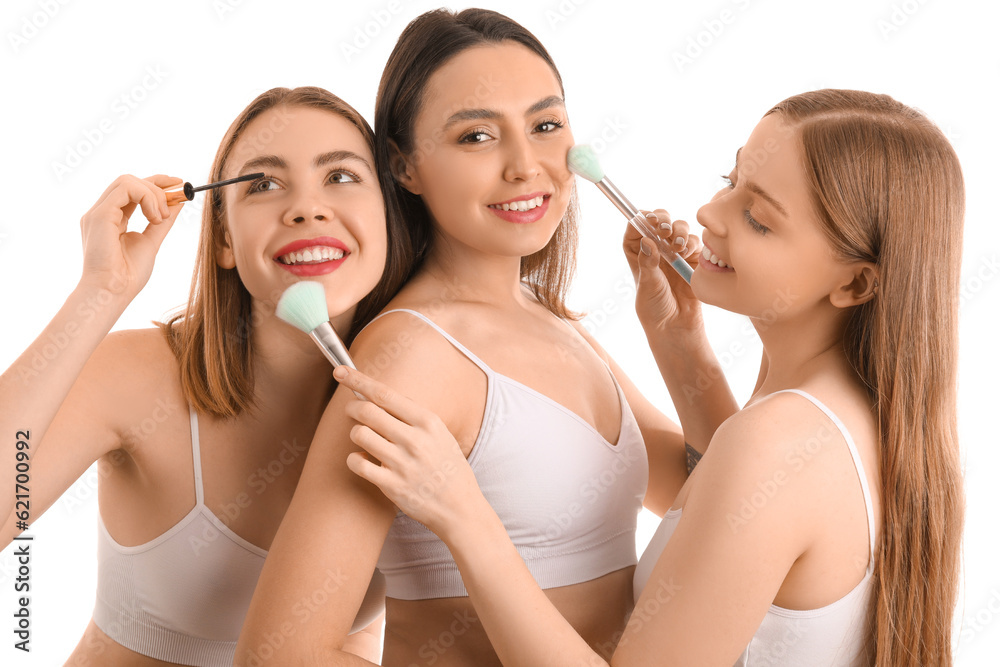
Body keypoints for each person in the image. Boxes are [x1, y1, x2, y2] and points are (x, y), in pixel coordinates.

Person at [334, 88, 965, 666]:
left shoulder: (779, 443)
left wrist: (463, 514)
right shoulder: (840, 416)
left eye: (759, 219)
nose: (711, 212)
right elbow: (718, 511)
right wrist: (681, 346)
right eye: (732, 178)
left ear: (855, 282)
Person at [235, 9, 723, 666]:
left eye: (545, 126)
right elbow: (279, 653)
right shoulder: (409, 357)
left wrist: (681, 342)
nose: (527, 166)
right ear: (404, 166)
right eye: (477, 137)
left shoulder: (551, 321)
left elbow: (717, 502)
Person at [0, 86, 405, 666]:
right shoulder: (135, 377)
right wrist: (101, 293)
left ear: (391, 217)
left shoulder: (423, 398)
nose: (307, 208)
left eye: (340, 175)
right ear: (222, 240)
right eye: (263, 184)